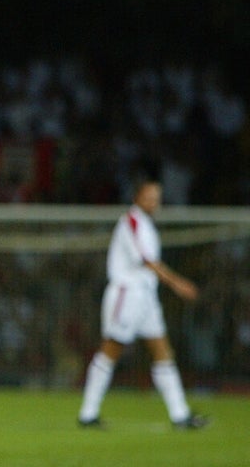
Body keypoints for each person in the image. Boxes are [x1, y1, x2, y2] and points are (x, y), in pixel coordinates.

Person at [77, 178, 208, 430]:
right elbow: (147, 260)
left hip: (146, 296)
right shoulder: (132, 221)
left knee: (163, 351)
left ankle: (180, 415)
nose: (153, 202)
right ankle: (88, 413)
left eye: (157, 198)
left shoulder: (146, 224)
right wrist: (177, 283)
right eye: (149, 197)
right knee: (112, 348)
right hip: (128, 293)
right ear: (137, 197)